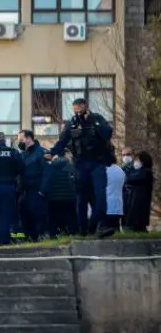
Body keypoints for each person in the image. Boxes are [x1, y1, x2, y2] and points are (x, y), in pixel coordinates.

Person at [49, 98, 114, 237]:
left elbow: (108, 133)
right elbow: (62, 141)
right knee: (81, 198)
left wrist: (92, 122)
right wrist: (51, 153)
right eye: (75, 110)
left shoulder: (97, 119)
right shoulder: (71, 123)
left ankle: (98, 225)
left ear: (86, 107)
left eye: (80, 110)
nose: (78, 113)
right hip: (80, 164)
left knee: (100, 195)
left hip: (98, 162)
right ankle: (83, 230)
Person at [17, 130, 48, 242]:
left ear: (29, 138)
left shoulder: (41, 152)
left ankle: (41, 235)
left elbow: (46, 172)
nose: (19, 142)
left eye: (21, 140)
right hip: (25, 190)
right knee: (25, 214)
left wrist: (42, 190)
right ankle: (30, 236)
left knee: (38, 215)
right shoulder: (23, 154)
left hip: (37, 190)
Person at [41, 150, 78, 238]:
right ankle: (72, 233)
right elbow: (75, 181)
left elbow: (47, 181)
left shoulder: (51, 166)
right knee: (71, 216)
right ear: (65, 155)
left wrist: (44, 193)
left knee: (53, 219)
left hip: (53, 198)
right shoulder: (71, 166)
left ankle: (53, 235)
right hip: (70, 198)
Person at [124, 151, 155, 232]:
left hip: (140, 200)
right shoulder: (139, 171)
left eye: (138, 160)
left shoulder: (146, 171)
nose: (136, 162)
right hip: (135, 199)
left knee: (138, 221)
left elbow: (130, 179)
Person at [105, 152, 126, 232]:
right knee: (116, 228)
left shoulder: (105, 170)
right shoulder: (120, 170)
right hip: (118, 204)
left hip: (107, 205)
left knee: (107, 229)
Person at [121, 146, 135, 229]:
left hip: (133, 195)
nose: (126, 157)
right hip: (122, 194)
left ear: (133, 155)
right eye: (124, 155)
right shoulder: (120, 168)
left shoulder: (136, 168)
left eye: (128, 154)